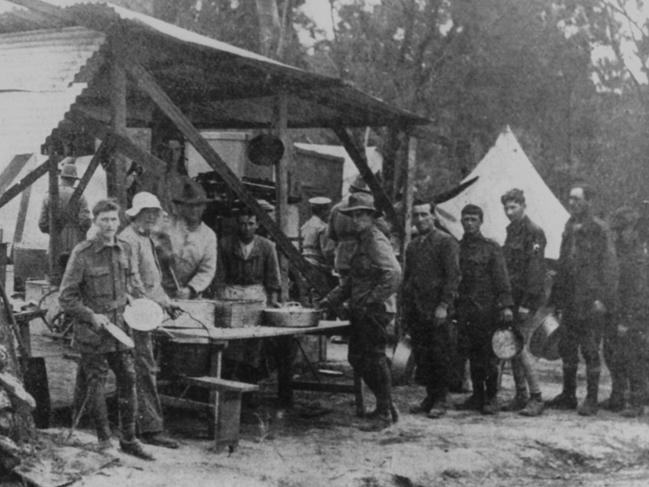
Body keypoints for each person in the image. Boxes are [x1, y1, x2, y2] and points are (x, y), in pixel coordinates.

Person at [59, 199, 153, 460]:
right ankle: (104, 441)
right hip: (93, 331)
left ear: (119, 221)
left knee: (129, 378)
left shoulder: (125, 249)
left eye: (113, 219)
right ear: (95, 222)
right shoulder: (83, 253)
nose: (109, 225)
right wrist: (91, 316)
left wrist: (139, 301)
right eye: (104, 220)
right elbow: (66, 298)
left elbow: (133, 283)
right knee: (97, 382)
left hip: (121, 328)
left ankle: (129, 439)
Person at [320, 193, 402, 431]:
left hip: (375, 311)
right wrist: (329, 300)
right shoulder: (361, 241)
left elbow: (394, 274)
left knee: (374, 358)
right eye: (353, 216)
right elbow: (351, 281)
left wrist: (371, 300)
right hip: (361, 309)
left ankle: (384, 411)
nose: (355, 220)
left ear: (370, 217)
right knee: (356, 358)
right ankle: (386, 404)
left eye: (360, 215)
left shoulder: (376, 240)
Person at [547, 183, 618, 416]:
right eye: (570, 199)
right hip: (569, 298)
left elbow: (609, 267)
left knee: (590, 349)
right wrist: (556, 299)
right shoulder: (569, 226)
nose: (572, 203)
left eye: (577, 199)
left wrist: (603, 300)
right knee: (567, 347)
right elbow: (562, 262)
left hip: (590, 300)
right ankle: (568, 395)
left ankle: (591, 399)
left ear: (588, 202)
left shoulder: (600, 229)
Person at [119, 192, 179, 448]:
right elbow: (132, 282)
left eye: (156, 213)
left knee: (143, 367)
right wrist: (156, 304)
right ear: (137, 215)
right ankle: (150, 428)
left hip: (146, 310)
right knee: (144, 368)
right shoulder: (128, 240)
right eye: (149, 213)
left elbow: (152, 280)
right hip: (134, 314)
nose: (153, 217)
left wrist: (165, 300)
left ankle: (142, 424)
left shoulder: (145, 238)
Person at [402, 200, 460, 418]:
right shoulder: (413, 245)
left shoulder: (446, 242)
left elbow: (453, 277)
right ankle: (430, 396)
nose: (420, 219)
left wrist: (444, 306)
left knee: (440, 353)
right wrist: (406, 306)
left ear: (434, 217)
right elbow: (408, 278)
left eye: (425, 215)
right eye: (416, 215)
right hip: (417, 309)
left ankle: (441, 399)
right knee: (423, 354)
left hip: (437, 309)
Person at [456, 204, 513, 415]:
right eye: (466, 219)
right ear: (461, 222)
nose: (469, 223)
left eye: (473, 219)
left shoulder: (491, 248)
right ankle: (477, 395)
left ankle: (490, 397)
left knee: (488, 356)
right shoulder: (457, 247)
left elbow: (502, 278)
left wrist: (506, 306)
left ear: (481, 222)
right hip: (465, 309)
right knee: (472, 354)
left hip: (486, 310)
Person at [215, 208, 282, 382]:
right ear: (237, 225)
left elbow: (273, 278)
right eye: (243, 224)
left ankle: (250, 385)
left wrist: (272, 302)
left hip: (256, 297)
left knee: (254, 344)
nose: (246, 228)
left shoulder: (267, 246)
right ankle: (229, 382)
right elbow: (220, 277)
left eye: (250, 224)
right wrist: (222, 300)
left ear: (257, 225)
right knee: (232, 343)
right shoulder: (225, 244)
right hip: (232, 296)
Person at [500, 189, 546, 416]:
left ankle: (536, 397)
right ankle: (520, 395)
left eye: (513, 207)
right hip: (513, 298)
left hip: (526, 299)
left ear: (523, 206)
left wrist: (527, 302)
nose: (509, 212)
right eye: (506, 208)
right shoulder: (512, 231)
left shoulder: (533, 232)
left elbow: (535, 271)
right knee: (513, 346)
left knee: (522, 347)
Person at [604, 207, 648, 417]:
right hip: (615, 311)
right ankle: (618, 396)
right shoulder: (618, 252)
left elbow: (639, 293)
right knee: (612, 354)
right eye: (617, 230)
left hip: (632, 315)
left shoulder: (638, 258)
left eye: (622, 230)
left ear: (633, 230)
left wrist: (628, 320)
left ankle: (637, 402)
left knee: (634, 357)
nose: (618, 234)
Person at [156, 180, 217, 299]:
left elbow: (207, 270)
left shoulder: (208, 236)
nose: (194, 210)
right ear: (181, 207)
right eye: (189, 205)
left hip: (190, 296)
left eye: (198, 205)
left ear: (204, 207)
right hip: (161, 293)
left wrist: (190, 289)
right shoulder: (167, 226)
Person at [38, 161, 92, 281]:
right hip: (76, 241)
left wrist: (54, 231)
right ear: (73, 180)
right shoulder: (80, 196)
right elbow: (86, 221)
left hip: (55, 243)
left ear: (61, 177)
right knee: (75, 277)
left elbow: (42, 224)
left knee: (55, 277)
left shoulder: (48, 196)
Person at [301, 196, 336, 297]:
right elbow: (328, 251)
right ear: (323, 210)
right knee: (320, 295)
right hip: (318, 266)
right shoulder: (322, 228)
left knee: (309, 295)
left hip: (305, 263)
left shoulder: (306, 225)